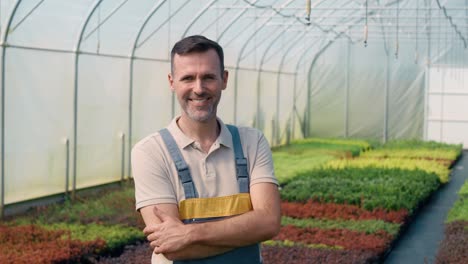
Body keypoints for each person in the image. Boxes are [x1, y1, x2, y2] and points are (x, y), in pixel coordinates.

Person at [131, 35, 281, 264]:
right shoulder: (150, 152)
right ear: (172, 82)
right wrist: (246, 230)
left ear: (224, 79)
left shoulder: (252, 142)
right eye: (188, 78)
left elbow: (269, 223)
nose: (199, 89)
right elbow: (171, 249)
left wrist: (190, 234)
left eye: (208, 77)